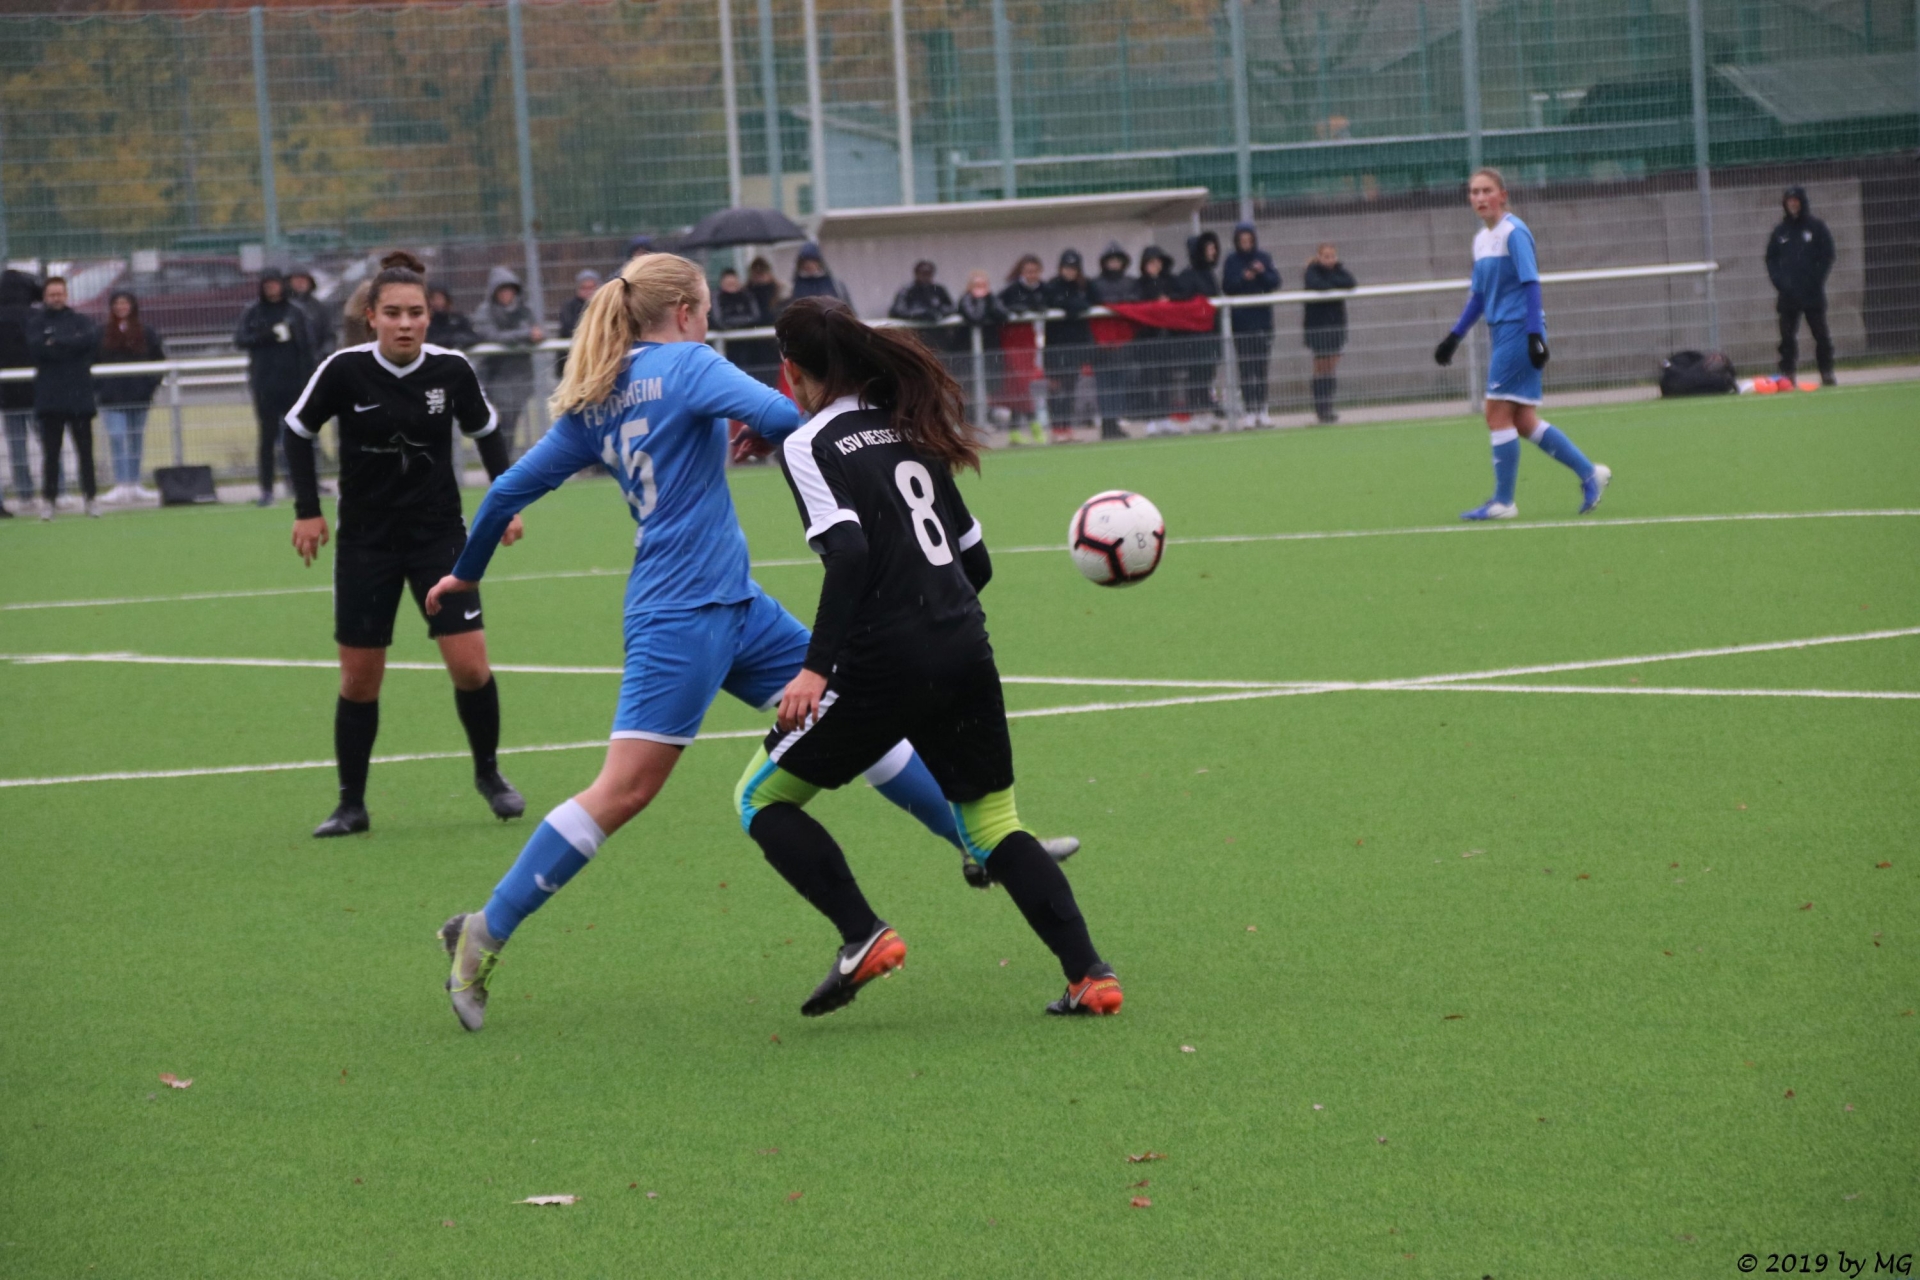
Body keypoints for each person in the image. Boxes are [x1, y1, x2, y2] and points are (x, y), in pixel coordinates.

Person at [425, 254, 1075, 1032]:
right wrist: (805, 439)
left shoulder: (597, 396)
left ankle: (976, 845)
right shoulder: (689, 364)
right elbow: (789, 419)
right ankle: (480, 935)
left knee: (856, 718)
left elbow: (502, 492)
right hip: (680, 614)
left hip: (734, 603)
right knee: (625, 789)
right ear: (692, 311)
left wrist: (464, 578)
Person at [735, 297, 1123, 1019]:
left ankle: (863, 934)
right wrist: (939, 622)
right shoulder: (908, 427)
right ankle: (1089, 974)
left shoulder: (808, 444)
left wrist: (818, 668)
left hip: (882, 663)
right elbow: (975, 562)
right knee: (994, 825)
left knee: (760, 799)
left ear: (790, 371)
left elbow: (846, 554)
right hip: (964, 648)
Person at [282, 251, 527, 839]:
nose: (405, 323)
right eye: (392, 313)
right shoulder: (343, 370)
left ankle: (490, 775)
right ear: (371, 317)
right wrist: (309, 512)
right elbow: (296, 431)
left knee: (470, 668)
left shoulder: (452, 370)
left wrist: (505, 502)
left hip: (438, 538)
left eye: (415, 312)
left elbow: (488, 433)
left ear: (428, 318)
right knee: (361, 679)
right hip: (366, 544)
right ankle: (350, 805)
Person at [1434, 167, 1610, 521]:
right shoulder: (1481, 240)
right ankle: (1590, 473)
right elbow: (1479, 297)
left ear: (1503, 195)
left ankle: (1503, 502)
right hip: (1501, 331)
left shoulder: (1515, 232)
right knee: (1523, 419)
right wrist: (1454, 336)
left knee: (1495, 412)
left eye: (1487, 191)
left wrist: (1534, 336)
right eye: (1474, 192)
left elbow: (1532, 284)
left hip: (1519, 330)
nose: (1480, 198)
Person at [235, 266, 317, 507]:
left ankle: (302, 486)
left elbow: (307, 349)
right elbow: (240, 340)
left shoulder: (296, 312)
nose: (271, 288)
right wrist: (267, 336)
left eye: (275, 283)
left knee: (299, 436)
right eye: (267, 283)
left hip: (294, 385)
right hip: (265, 386)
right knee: (267, 438)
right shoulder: (253, 312)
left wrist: (309, 382)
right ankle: (267, 489)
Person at [26, 276, 101, 520]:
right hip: (50, 399)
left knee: (86, 452)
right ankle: (49, 501)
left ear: (66, 295)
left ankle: (91, 498)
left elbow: (89, 343)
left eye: (60, 294)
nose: (56, 298)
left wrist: (57, 343)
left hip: (80, 397)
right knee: (51, 454)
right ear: (45, 297)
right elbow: (38, 350)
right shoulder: (36, 322)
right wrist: (69, 345)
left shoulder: (81, 321)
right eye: (52, 294)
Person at [95, 290, 165, 504]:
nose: (121, 307)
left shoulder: (147, 332)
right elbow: (91, 362)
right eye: (117, 303)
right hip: (111, 398)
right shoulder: (101, 333)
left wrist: (148, 387)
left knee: (135, 439)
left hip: (138, 396)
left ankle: (134, 484)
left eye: (125, 303)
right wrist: (100, 388)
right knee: (117, 437)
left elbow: (158, 362)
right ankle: (121, 484)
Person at [1765, 185, 1837, 388]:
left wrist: (1815, 279)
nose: (1793, 204)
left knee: (1821, 335)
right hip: (1788, 296)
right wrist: (1779, 282)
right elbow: (1771, 259)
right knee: (1787, 338)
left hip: (1812, 294)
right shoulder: (1780, 231)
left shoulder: (1816, 227)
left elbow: (1828, 255)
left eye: (1796, 200)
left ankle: (1826, 372)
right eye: (1789, 201)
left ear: (1802, 202)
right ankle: (1787, 375)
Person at [472, 266, 544, 456]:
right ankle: (498, 460)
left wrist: (531, 335)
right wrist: (525, 334)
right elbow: (490, 335)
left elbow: (538, 332)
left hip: (520, 376)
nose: (506, 294)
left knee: (511, 423)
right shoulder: (484, 311)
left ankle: (504, 462)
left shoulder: (525, 310)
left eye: (509, 289)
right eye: (502, 290)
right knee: (494, 422)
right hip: (493, 376)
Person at [1221, 222, 1280, 427]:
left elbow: (1275, 282)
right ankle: (1249, 411)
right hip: (1242, 323)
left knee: (1262, 367)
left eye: (1249, 240)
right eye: (1242, 240)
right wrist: (1243, 278)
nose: (1246, 244)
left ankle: (1262, 410)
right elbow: (1227, 286)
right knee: (1246, 368)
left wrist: (1261, 272)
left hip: (1263, 321)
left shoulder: (1263, 257)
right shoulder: (1231, 260)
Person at [0, 270, 42, 517]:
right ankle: (55, 490)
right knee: (48, 442)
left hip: (7, 392)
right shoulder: (37, 317)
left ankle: (25, 493)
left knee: (17, 445)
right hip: (37, 389)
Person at [1086, 243, 1138, 440]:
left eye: (1117, 260)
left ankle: (1114, 422)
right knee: (1104, 385)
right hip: (1101, 344)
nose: (1114, 264)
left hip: (1123, 343)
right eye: (1111, 260)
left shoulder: (1131, 283)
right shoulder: (1096, 284)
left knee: (1118, 385)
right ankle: (1107, 424)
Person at [996, 254, 1049, 443]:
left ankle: (1015, 431)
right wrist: (1014, 309)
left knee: (1020, 386)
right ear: (1021, 272)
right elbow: (998, 306)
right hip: (1012, 339)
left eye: (1035, 271)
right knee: (1019, 384)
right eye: (1028, 271)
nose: (1032, 275)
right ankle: (1034, 426)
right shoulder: (1011, 290)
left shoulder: (1044, 289)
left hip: (1029, 340)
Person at [1301, 243, 1356, 424]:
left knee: (1332, 365)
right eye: (1326, 256)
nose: (1330, 259)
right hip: (1318, 325)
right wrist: (1333, 284)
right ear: (1319, 257)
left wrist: (1332, 282)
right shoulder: (1312, 271)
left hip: (1336, 324)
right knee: (1321, 366)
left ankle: (1329, 406)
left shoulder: (1339, 270)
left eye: (1332, 256)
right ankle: (1321, 408)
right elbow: (1317, 285)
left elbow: (1350, 282)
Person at [1134, 246, 1184, 435]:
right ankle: (1150, 419)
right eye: (1151, 262)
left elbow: (1182, 296)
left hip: (1166, 337)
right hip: (1146, 338)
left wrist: (1168, 299)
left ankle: (1164, 417)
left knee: (1165, 378)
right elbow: (1137, 302)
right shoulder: (1139, 284)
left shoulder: (1170, 282)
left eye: (1158, 262)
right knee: (1148, 379)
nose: (1155, 266)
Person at [1043, 249, 1092, 440]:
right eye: (1066, 267)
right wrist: (1071, 305)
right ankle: (1056, 429)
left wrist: (1070, 305)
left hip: (1075, 345)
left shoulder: (1084, 285)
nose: (1069, 271)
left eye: (1073, 268)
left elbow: (1088, 302)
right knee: (1055, 388)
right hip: (1055, 345)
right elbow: (1054, 302)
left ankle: (1068, 427)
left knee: (1071, 388)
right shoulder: (1053, 285)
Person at [1177, 232, 1223, 427]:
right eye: (1209, 248)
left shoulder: (1209, 274)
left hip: (1211, 333)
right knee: (1197, 374)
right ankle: (1197, 414)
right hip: (1195, 335)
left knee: (1207, 373)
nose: (1213, 251)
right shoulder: (1188, 275)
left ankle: (1205, 411)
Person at [888, 259, 958, 361]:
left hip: (938, 338)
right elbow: (897, 311)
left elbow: (952, 308)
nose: (925, 276)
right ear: (916, 273)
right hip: (915, 339)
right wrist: (921, 314)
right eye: (922, 273)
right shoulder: (907, 290)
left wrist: (939, 312)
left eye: (928, 273)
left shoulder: (938, 290)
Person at [735, 258, 787, 386]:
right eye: (756, 272)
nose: (759, 276)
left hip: (773, 346)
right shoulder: (745, 294)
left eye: (762, 272)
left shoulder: (780, 292)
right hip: (753, 348)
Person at [554, 269, 599, 379]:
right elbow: (569, 328)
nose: (589, 292)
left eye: (592, 288)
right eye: (584, 288)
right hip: (573, 362)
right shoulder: (569, 307)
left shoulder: (603, 305)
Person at [287, 266, 336, 360]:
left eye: (303, 279)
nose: (300, 283)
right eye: (296, 279)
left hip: (314, 359)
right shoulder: (282, 307)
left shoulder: (319, 307)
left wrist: (323, 354)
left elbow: (329, 335)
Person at [790, 242, 853, 308]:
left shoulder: (836, 285)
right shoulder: (793, 287)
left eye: (813, 261)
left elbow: (847, 309)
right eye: (805, 262)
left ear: (819, 262)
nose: (809, 265)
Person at [425, 286, 475, 351]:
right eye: (433, 298)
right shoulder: (426, 322)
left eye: (440, 298)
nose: (437, 302)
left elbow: (473, 337)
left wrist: (459, 339)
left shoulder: (458, 319)